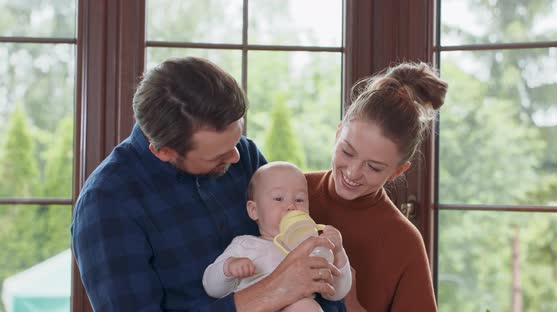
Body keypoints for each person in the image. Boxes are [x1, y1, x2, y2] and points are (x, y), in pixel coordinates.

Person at [71, 57, 344, 311]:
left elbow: (305, 263)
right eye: (218, 155)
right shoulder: (107, 204)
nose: (237, 156)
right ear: (163, 151)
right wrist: (271, 291)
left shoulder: (244, 156)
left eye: (237, 141)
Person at [305, 62, 448, 312]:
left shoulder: (404, 242)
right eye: (347, 152)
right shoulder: (287, 193)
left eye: (374, 167)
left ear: (397, 171)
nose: (352, 173)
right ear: (338, 133)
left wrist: (350, 303)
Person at [202, 161, 352, 311]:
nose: (291, 206)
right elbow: (211, 288)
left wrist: (338, 252)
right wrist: (228, 268)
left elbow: (335, 293)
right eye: (279, 198)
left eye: (299, 199)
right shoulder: (245, 245)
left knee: (307, 306)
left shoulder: (311, 247)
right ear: (254, 210)